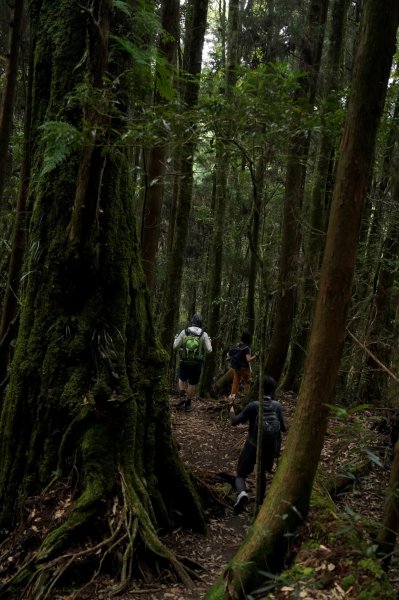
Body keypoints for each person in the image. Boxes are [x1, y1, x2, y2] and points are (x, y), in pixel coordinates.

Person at [229, 375, 287, 513]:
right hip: (270, 447)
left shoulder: (254, 405)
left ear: (259, 389)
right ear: (273, 390)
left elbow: (234, 421)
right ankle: (260, 504)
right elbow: (284, 428)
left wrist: (230, 405)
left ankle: (242, 493)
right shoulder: (277, 406)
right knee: (261, 473)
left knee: (240, 474)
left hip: (252, 445)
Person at [173, 314, 212, 411]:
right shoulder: (204, 334)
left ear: (192, 321)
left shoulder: (184, 331)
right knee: (192, 383)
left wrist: (175, 339)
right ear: (201, 323)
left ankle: (182, 395)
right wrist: (209, 342)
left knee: (182, 378)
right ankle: (188, 404)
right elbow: (209, 350)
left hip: (185, 360)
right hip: (197, 363)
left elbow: (175, 346)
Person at [228, 331, 258, 401]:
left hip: (236, 367)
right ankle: (245, 398)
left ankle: (231, 398)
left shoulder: (238, 345)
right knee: (247, 382)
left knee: (235, 383)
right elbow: (248, 359)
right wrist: (255, 356)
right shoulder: (247, 348)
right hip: (244, 368)